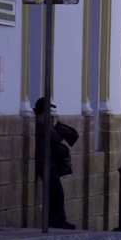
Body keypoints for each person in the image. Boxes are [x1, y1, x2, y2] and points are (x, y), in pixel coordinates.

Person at [33, 98, 76, 229]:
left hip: (49, 162)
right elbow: (56, 137)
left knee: (53, 192)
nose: (50, 113)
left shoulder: (42, 124)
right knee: (57, 192)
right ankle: (58, 220)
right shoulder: (41, 124)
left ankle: (55, 219)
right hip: (46, 163)